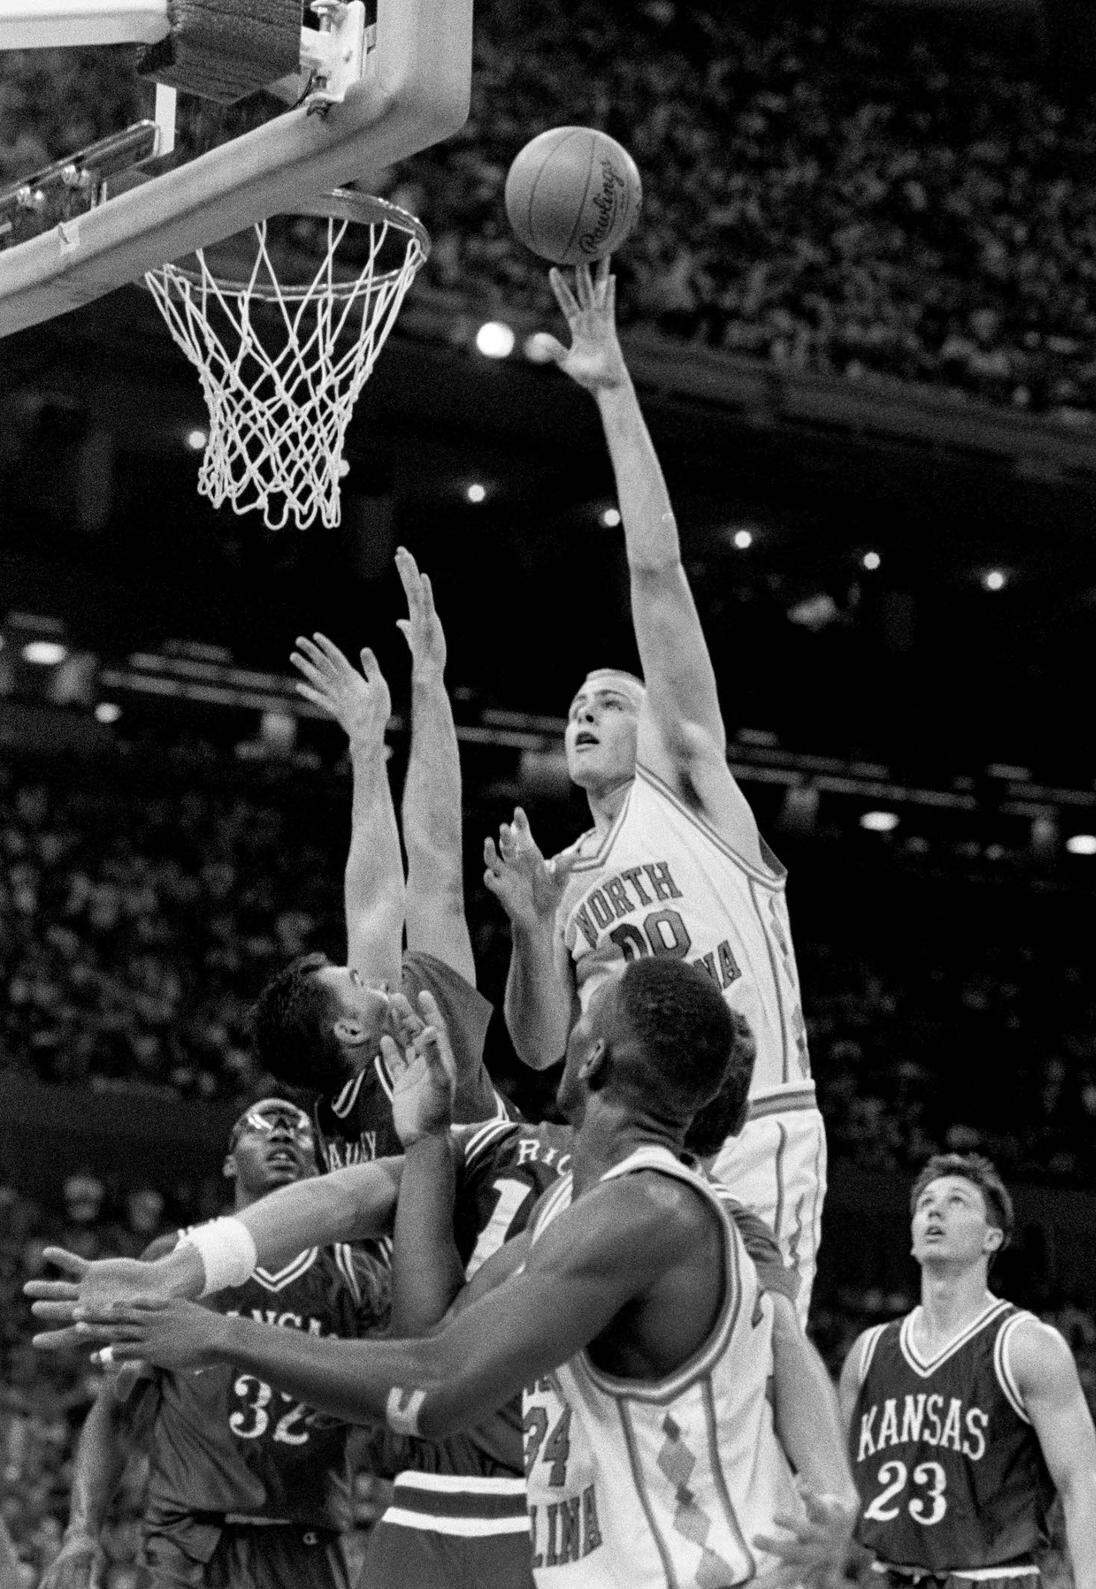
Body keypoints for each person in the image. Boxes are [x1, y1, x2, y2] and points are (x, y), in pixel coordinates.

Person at [43, 960, 854, 1589]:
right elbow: (403, 1287)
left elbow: (433, 1382)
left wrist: (217, 1332)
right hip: (557, 1540)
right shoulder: (568, 1202)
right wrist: (186, 1267)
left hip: (695, 1565)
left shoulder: (656, 1214)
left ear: (594, 1053)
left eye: (584, 1013)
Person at [483, 259, 825, 1318]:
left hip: (760, 1120)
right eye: (577, 704)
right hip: (639, 1146)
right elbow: (540, 1053)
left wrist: (614, 388)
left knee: (758, 1373)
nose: (585, 709)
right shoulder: (565, 874)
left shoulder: (688, 782)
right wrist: (536, 932)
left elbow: (657, 575)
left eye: (610, 699)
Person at [37, 1099, 388, 1589]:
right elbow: (116, 1412)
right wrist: (81, 1531)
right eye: (261, 1126)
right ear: (228, 1162)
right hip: (188, 1542)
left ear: (320, 1166)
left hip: (304, 1540)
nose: (282, 1134)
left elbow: (395, 1399)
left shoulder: (358, 1274)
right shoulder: (176, 1260)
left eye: (299, 1131)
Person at [256, 545, 508, 1171]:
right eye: (361, 980)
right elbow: (436, 868)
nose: (374, 970)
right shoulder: (425, 1049)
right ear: (351, 1031)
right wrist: (428, 679)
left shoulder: (336, 1102)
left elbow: (372, 905)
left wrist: (369, 748)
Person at [838, 1153, 1096, 1589]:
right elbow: (832, 1481)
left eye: (958, 1201)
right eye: (925, 1201)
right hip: (886, 1576)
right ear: (911, 1238)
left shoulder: (1027, 1346)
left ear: (992, 1238)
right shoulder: (868, 1352)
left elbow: (1081, 1486)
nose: (935, 1209)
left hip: (992, 1578)